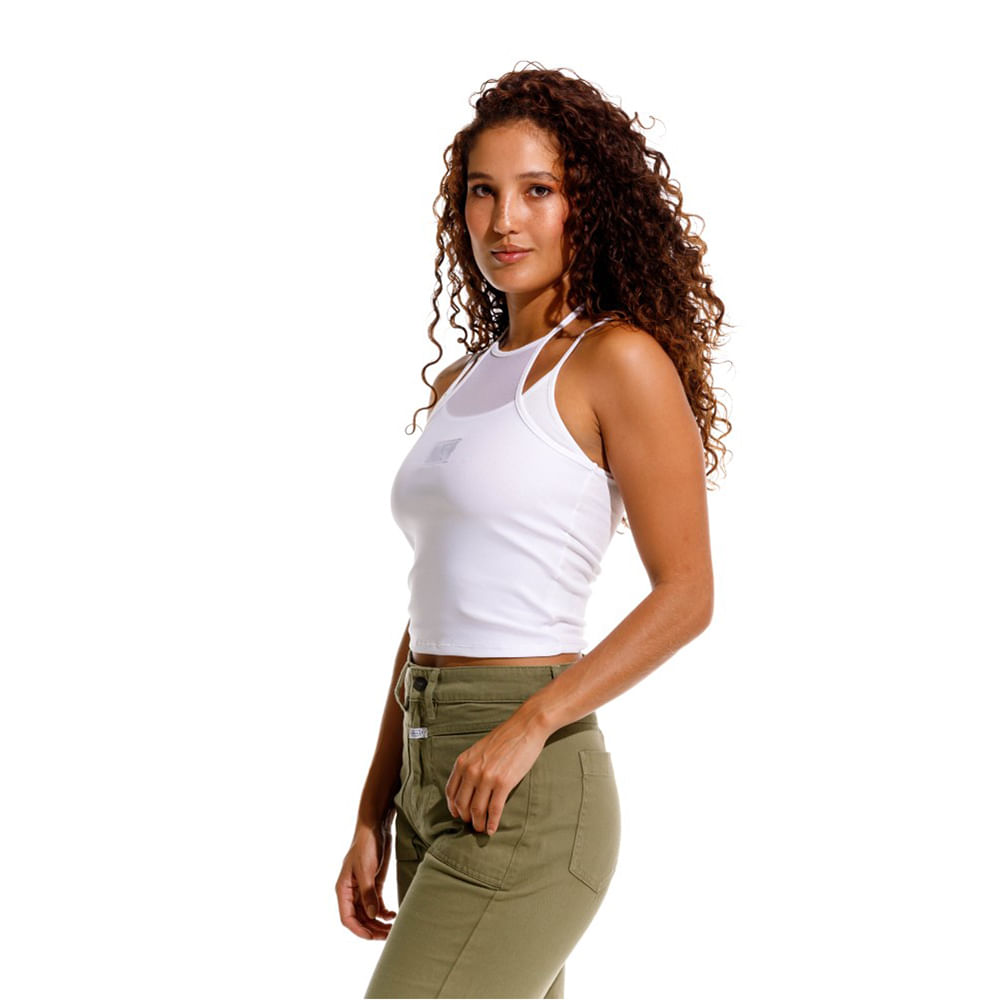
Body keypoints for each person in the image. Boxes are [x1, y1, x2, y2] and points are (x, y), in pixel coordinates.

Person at [338, 62, 731, 999]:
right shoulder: (462, 383)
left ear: (585, 204)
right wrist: (373, 805)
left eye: (537, 191)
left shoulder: (615, 361)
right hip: (430, 771)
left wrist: (531, 723)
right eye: (483, 191)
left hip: (529, 779)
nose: (504, 220)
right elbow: (429, 615)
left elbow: (688, 595)